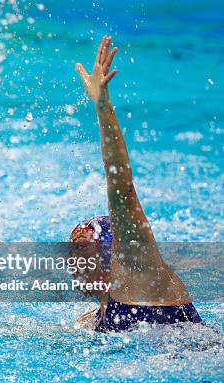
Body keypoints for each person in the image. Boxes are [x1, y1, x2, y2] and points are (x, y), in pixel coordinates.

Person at [71, 36, 202, 332]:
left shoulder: (140, 272)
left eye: (80, 252)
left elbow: (120, 184)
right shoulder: (93, 320)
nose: (72, 265)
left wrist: (102, 107)